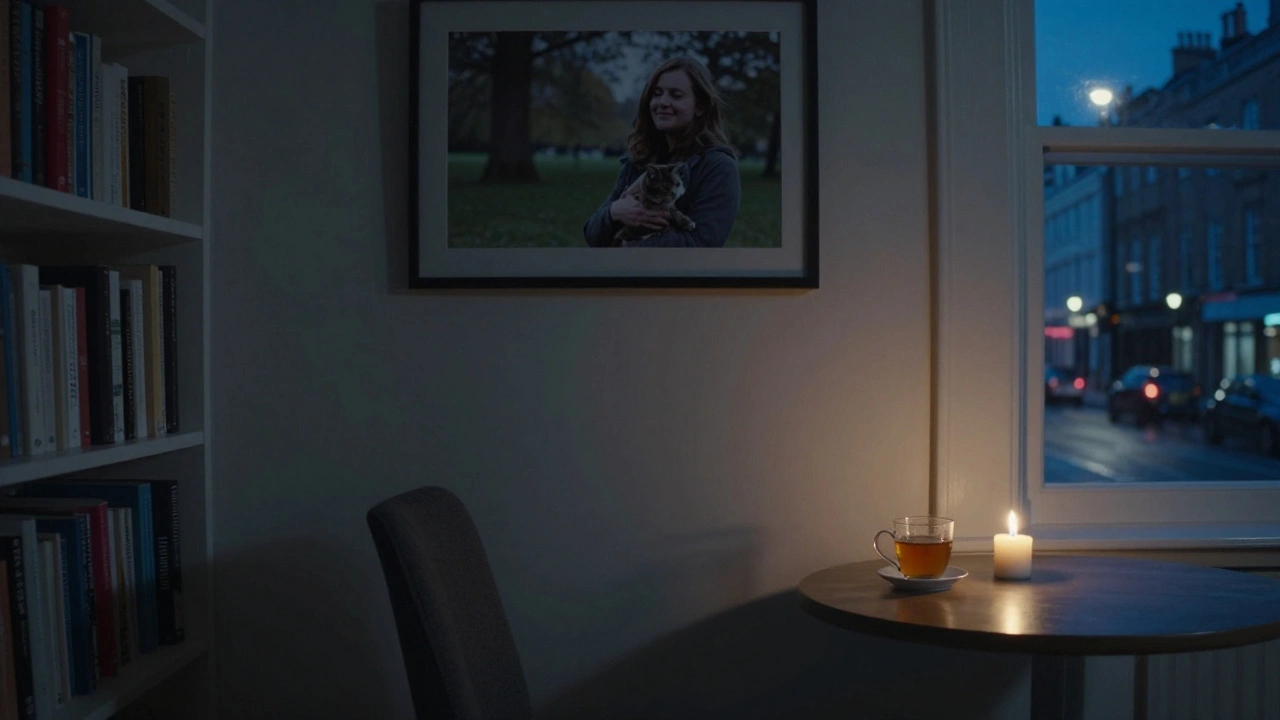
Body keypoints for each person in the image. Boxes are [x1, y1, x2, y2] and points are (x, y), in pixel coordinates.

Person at [583, 57, 741, 247]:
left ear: (700, 106)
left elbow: (703, 243)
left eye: (676, 95)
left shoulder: (718, 166)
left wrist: (628, 249)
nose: (663, 102)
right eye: (657, 94)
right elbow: (592, 235)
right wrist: (614, 212)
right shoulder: (640, 160)